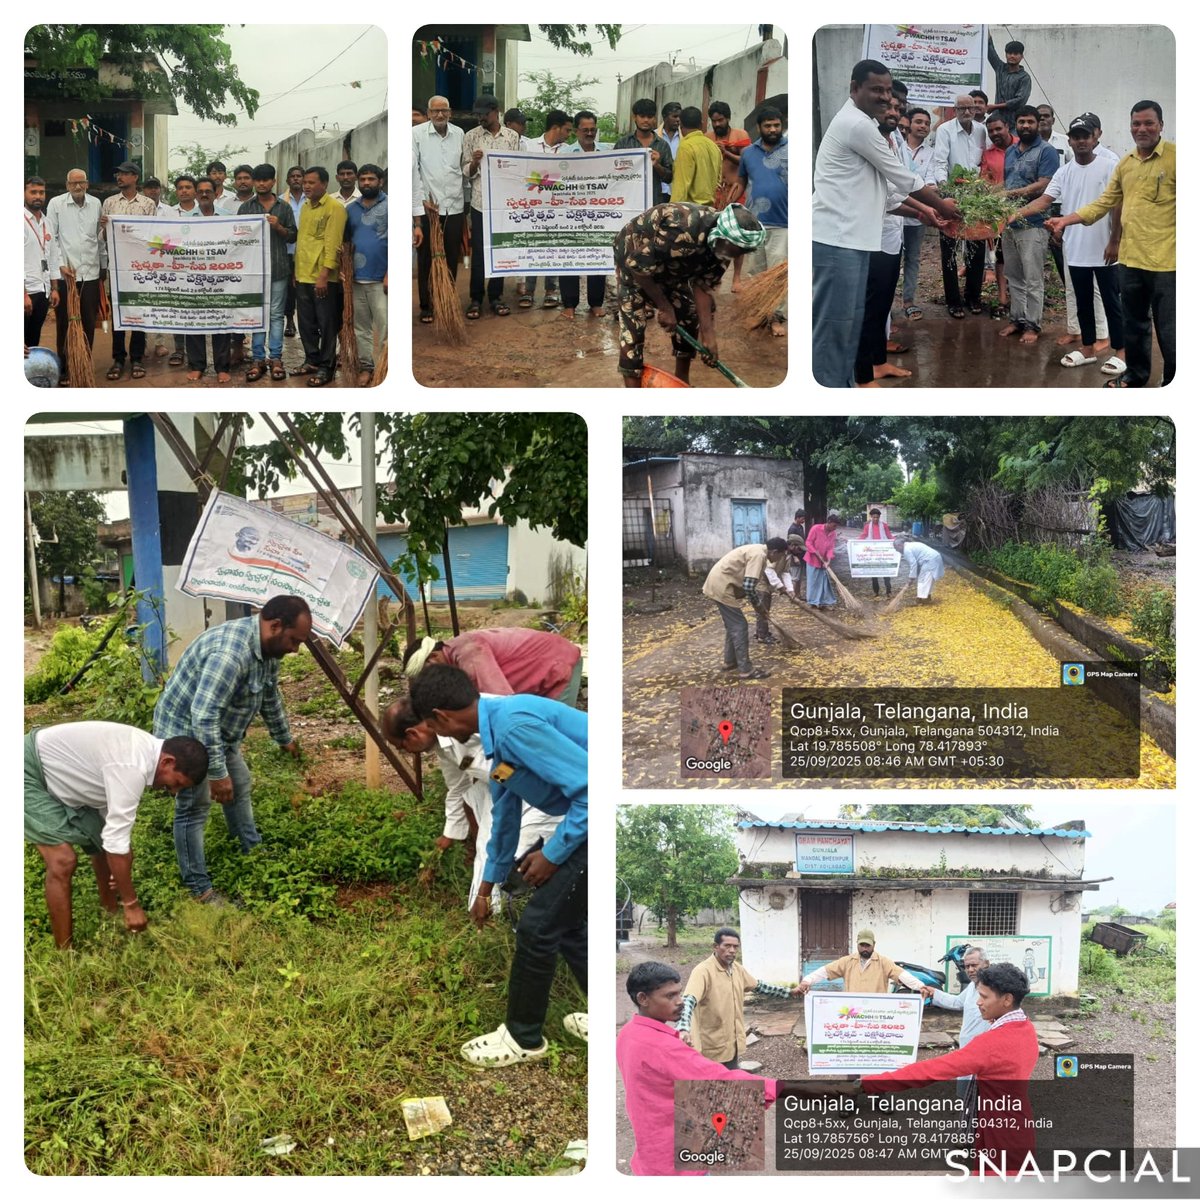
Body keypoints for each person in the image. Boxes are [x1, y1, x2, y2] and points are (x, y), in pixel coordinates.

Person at [410, 665, 588, 1068]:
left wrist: (552, 854)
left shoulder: (512, 728)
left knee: (537, 927)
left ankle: (523, 1038)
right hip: (588, 817)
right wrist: (486, 887)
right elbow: (505, 816)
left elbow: (591, 789)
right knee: (566, 921)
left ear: (440, 716)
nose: (438, 736)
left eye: (432, 727)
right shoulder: (497, 741)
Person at [152, 596, 310, 905]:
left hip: (217, 734)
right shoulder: (231, 655)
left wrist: (284, 738)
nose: (295, 649)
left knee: (240, 782)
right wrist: (216, 772)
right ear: (275, 626)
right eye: (294, 640)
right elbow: (203, 716)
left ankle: (251, 853)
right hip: (184, 734)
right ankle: (199, 889)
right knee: (195, 804)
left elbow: (269, 697)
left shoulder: (268, 651)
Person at [813, 60, 960, 387]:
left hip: (854, 241)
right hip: (837, 240)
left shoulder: (865, 125)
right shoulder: (857, 124)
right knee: (835, 327)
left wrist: (924, 214)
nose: (884, 97)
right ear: (854, 88)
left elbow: (889, 193)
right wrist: (942, 207)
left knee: (851, 324)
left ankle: (846, 385)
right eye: (876, 90)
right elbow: (903, 178)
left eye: (887, 91)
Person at [25, 721, 208, 948]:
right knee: (62, 861)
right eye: (177, 782)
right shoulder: (132, 766)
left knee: (107, 850)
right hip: (26, 769)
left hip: (61, 777)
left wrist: (121, 855)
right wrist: (132, 903)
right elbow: (116, 842)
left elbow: (114, 834)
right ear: (167, 762)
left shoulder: (144, 754)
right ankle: (64, 954)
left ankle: (110, 921)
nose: (173, 791)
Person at [383, 700, 561, 911]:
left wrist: (501, 787)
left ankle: (505, 907)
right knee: (485, 839)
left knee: (513, 856)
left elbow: (518, 761)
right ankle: (488, 906)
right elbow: (458, 787)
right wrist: (449, 834)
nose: (408, 752)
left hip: (540, 788)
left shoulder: (463, 725)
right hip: (502, 788)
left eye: (402, 747)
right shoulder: (442, 743)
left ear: (412, 734)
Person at [860, 962, 1040, 1171]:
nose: (978, 1002)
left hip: (1001, 1136)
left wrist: (867, 1084)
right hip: (1017, 1125)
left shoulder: (992, 1043)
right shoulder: (1025, 1026)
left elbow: (931, 1070)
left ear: (1007, 999)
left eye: (984, 997)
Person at [1046, 100, 1174, 388]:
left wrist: (1112, 239)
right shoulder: (1126, 163)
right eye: (1136, 124)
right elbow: (1104, 203)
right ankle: (1133, 375)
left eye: (1149, 123)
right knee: (1135, 320)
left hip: (1167, 260)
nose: (1142, 129)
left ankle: (1172, 380)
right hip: (1130, 258)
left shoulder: (1175, 159)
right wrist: (1065, 221)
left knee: (1169, 326)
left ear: (1161, 125)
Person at [617, 961, 780, 1176]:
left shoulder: (628, 1033)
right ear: (643, 999)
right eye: (670, 996)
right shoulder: (664, 1047)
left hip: (651, 1151)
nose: (680, 1001)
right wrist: (780, 1088)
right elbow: (721, 1080)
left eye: (679, 993)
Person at [1010, 115, 1125, 376]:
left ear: (1095, 138)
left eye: (1086, 136)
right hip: (1075, 248)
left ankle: (1121, 351)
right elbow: (1044, 200)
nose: (1081, 141)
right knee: (1082, 301)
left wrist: (1115, 240)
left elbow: (1118, 204)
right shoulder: (1064, 172)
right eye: (1076, 137)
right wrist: (1013, 215)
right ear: (1070, 141)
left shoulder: (1110, 166)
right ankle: (1087, 348)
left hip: (1105, 247)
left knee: (1111, 301)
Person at [614, 201, 764, 386]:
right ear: (722, 237)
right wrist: (664, 307)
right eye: (736, 251)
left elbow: (703, 286)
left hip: (670, 262)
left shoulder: (725, 248)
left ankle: (681, 383)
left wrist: (708, 335)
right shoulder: (680, 230)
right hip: (633, 258)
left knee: (689, 313)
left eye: (741, 253)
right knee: (633, 328)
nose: (734, 257)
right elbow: (638, 266)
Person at [678, 928, 803, 1068]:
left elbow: (759, 986)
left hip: (733, 1044)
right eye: (727, 946)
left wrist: (789, 992)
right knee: (713, 1080)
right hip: (711, 1045)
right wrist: (683, 1028)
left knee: (731, 1076)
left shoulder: (737, 969)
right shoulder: (703, 971)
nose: (732, 950)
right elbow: (688, 1000)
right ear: (715, 946)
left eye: (735, 947)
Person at [998, 106, 1058, 345]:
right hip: (1010, 223)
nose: (1025, 126)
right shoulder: (1010, 151)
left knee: (1033, 278)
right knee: (1014, 275)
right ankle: (1017, 319)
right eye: (1021, 121)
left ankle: (1033, 325)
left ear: (1037, 123)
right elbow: (1007, 182)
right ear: (1016, 124)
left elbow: (1044, 185)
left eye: (1030, 122)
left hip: (1034, 223)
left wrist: (1012, 194)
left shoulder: (1046, 151)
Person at [402, 627, 583, 706]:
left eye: (427, 672)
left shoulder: (468, 652)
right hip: (543, 672)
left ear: (434, 656)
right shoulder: (457, 654)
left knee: (557, 736)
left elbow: (499, 701)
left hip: (558, 664)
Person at [462, 95, 522, 320]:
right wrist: (475, 163)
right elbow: (465, 172)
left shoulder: (512, 137)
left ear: (496, 112)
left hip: (503, 204)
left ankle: (496, 296)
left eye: (484, 114)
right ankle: (476, 298)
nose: (480, 119)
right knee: (479, 251)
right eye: (477, 115)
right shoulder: (471, 136)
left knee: (500, 249)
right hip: (480, 203)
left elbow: (517, 168)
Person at [700, 536, 793, 679]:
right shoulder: (759, 555)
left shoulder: (758, 551)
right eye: (780, 556)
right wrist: (759, 606)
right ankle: (746, 669)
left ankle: (730, 662)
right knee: (740, 626)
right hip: (722, 586)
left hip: (719, 584)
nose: (779, 559)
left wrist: (759, 606)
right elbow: (749, 586)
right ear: (774, 552)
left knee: (733, 626)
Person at [238, 164, 296, 383]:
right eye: (258, 180)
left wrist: (278, 227)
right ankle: (258, 359)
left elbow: (293, 236)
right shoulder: (246, 208)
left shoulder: (284, 207)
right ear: (254, 182)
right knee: (257, 314)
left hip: (278, 268)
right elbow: (237, 237)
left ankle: (276, 358)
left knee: (275, 314)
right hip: (254, 271)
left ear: (273, 181)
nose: (261, 183)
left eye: (266, 180)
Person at [933, 94, 988, 318]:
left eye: (970, 108)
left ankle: (973, 297)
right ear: (954, 110)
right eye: (961, 108)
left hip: (977, 198)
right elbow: (939, 163)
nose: (966, 112)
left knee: (977, 249)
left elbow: (985, 161)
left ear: (976, 110)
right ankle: (953, 301)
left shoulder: (982, 131)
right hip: (952, 197)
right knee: (949, 251)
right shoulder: (945, 130)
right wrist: (945, 192)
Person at [99, 161, 156, 379]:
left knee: (139, 311)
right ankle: (118, 358)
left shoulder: (147, 204)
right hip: (117, 267)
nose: (119, 177)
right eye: (118, 174)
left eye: (124, 174)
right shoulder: (110, 203)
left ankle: (137, 358)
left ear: (135, 177)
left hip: (140, 267)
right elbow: (103, 238)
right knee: (118, 311)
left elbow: (152, 236)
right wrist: (105, 227)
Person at [46, 169, 103, 383]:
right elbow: (52, 238)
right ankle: (64, 368)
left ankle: (83, 364)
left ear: (87, 184)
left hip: (90, 273)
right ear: (67, 185)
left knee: (88, 321)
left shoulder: (95, 204)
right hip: (66, 274)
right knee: (65, 322)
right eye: (73, 183)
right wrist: (60, 265)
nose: (78, 187)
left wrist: (103, 265)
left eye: (82, 183)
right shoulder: (56, 204)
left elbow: (98, 238)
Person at [293, 165, 347, 386]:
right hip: (303, 274)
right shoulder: (306, 207)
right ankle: (312, 360)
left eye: (311, 182)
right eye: (304, 182)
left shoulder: (335, 208)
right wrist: (296, 272)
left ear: (324, 184)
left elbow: (333, 244)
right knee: (306, 323)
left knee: (327, 324)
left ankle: (327, 366)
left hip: (323, 277)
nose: (306, 186)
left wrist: (324, 275)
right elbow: (302, 241)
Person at [737, 106, 788, 337]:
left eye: (776, 125)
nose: (773, 129)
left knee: (778, 275)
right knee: (755, 273)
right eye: (768, 125)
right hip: (755, 223)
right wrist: (730, 206)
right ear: (759, 128)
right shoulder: (748, 153)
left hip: (784, 223)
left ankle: (776, 319)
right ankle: (759, 314)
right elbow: (741, 182)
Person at [920, 945, 992, 1102]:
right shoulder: (972, 987)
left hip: (985, 1053)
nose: (970, 970)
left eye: (974, 965)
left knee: (985, 1097)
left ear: (986, 964)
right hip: (967, 1048)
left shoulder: (995, 989)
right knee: (966, 1095)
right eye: (967, 966)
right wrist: (934, 993)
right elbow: (957, 1002)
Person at [559, 110, 611, 319]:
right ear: (576, 131)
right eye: (585, 130)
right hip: (570, 213)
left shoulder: (608, 152)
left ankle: (596, 303)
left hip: (598, 213)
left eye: (593, 129)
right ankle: (569, 304)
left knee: (597, 255)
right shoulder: (564, 154)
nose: (589, 133)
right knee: (569, 256)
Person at [522, 110, 574, 311]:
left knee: (553, 247)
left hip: (558, 207)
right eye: (567, 130)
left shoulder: (569, 151)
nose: (569, 134)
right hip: (532, 205)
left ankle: (551, 291)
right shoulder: (528, 146)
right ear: (555, 128)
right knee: (532, 246)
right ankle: (528, 291)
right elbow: (521, 173)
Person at [344, 164, 387, 385]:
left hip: (382, 279)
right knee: (361, 328)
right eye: (363, 179)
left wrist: (391, 273)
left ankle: (386, 368)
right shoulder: (351, 209)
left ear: (380, 181)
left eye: (371, 179)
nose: (366, 183)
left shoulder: (391, 207)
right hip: (356, 279)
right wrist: (344, 271)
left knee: (386, 326)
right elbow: (346, 243)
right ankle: (367, 367)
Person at [796, 928, 927, 994]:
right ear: (857, 944)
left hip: (876, 1012)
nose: (865, 948)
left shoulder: (884, 963)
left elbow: (902, 975)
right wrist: (807, 981)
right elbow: (825, 971)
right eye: (862, 945)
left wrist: (921, 987)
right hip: (852, 1010)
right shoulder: (847, 962)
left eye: (868, 945)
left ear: (874, 945)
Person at [900, 107, 936, 319]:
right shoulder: (897, 146)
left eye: (927, 123)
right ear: (909, 124)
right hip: (894, 213)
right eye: (919, 122)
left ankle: (908, 301)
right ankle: (884, 306)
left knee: (912, 258)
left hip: (918, 214)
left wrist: (928, 192)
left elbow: (931, 182)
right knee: (889, 260)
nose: (923, 126)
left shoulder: (931, 153)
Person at [614, 98, 674, 205]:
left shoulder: (662, 145)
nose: (646, 120)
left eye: (650, 117)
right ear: (634, 117)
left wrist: (657, 165)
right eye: (642, 116)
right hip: (628, 202)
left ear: (655, 119)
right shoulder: (623, 144)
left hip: (654, 202)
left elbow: (669, 178)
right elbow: (613, 175)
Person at [670, 106, 722, 205]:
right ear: (701, 124)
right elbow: (718, 181)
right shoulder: (714, 146)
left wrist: (672, 210)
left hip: (691, 210)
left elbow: (680, 187)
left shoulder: (686, 147)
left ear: (681, 126)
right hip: (710, 210)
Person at [706, 100, 751, 209]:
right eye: (714, 121)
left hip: (736, 191)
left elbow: (748, 161)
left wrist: (726, 153)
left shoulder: (740, 135)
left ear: (728, 118)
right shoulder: (707, 138)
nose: (717, 124)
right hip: (714, 193)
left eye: (720, 120)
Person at [985, 37, 1032, 130]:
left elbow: (1019, 101)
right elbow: (990, 51)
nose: (1012, 56)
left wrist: (995, 106)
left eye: (1016, 54)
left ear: (1022, 56)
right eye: (1009, 53)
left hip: (1014, 124)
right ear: (1006, 54)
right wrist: (986, 33)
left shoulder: (1024, 77)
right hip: (997, 122)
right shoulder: (1000, 68)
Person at [283, 166, 306, 337]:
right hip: (287, 251)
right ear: (287, 180)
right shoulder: (281, 201)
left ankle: (309, 323)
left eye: (299, 176)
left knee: (305, 289)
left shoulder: (311, 198)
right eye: (293, 176)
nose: (296, 178)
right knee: (289, 290)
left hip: (306, 253)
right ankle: (290, 320)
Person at [804, 511, 844, 609]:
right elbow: (808, 542)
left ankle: (822, 602)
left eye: (836, 526)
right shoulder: (816, 528)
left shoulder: (833, 534)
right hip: (812, 560)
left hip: (823, 561)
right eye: (834, 526)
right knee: (813, 582)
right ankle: (813, 602)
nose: (835, 528)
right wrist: (816, 553)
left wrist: (828, 560)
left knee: (823, 582)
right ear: (829, 522)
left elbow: (830, 548)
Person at [893, 534, 945, 602]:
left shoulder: (906, 550)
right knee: (928, 579)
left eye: (896, 548)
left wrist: (911, 578)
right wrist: (914, 575)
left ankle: (922, 598)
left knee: (923, 579)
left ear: (899, 545)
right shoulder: (909, 546)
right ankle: (926, 596)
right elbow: (916, 564)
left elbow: (913, 564)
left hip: (929, 560)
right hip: (934, 557)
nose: (897, 550)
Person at [859, 506, 894, 597]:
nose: (875, 519)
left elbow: (889, 536)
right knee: (874, 572)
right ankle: (876, 592)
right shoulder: (867, 526)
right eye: (874, 517)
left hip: (883, 551)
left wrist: (896, 541)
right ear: (871, 517)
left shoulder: (884, 525)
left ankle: (888, 591)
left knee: (886, 571)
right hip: (872, 552)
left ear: (879, 517)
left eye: (877, 517)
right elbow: (863, 535)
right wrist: (854, 542)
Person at [786, 508, 807, 596]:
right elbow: (789, 545)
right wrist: (794, 557)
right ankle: (793, 597)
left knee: (799, 578)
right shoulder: (792, 529)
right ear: (797, 518)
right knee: (795, 578)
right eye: (802, 519)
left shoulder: (800, 527)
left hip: (801, 555)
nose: (803, 520)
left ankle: (798, 595)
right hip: (795, 557)